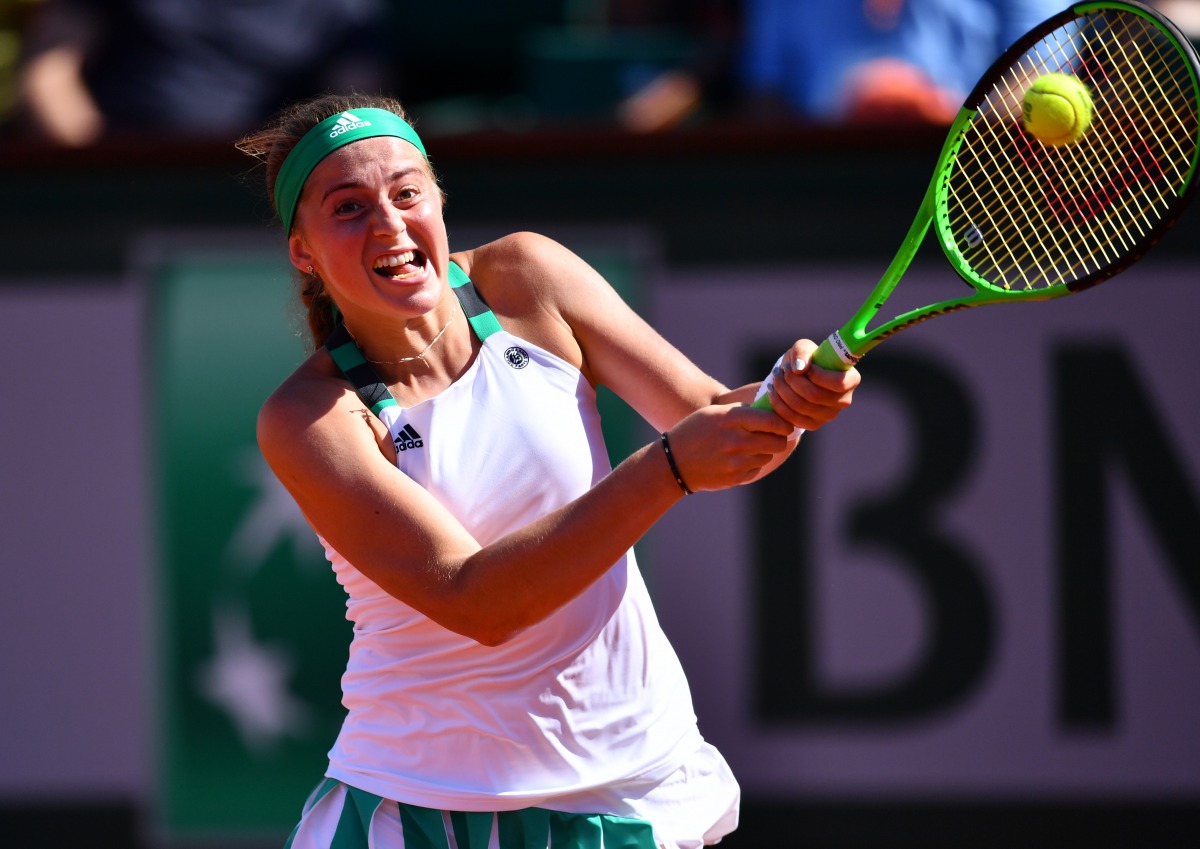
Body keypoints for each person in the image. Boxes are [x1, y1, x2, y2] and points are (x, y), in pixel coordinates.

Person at [237, 92, 860, 849]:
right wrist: (667, 469)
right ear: (302, 249)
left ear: (438, 199)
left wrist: (786, 396)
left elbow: (708, 413)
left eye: (407, 193)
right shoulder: (309, 418)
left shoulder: (527, 275)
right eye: (349, 207)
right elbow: (478, 603)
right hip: (416, 808)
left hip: (631, 787)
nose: (389, 224)